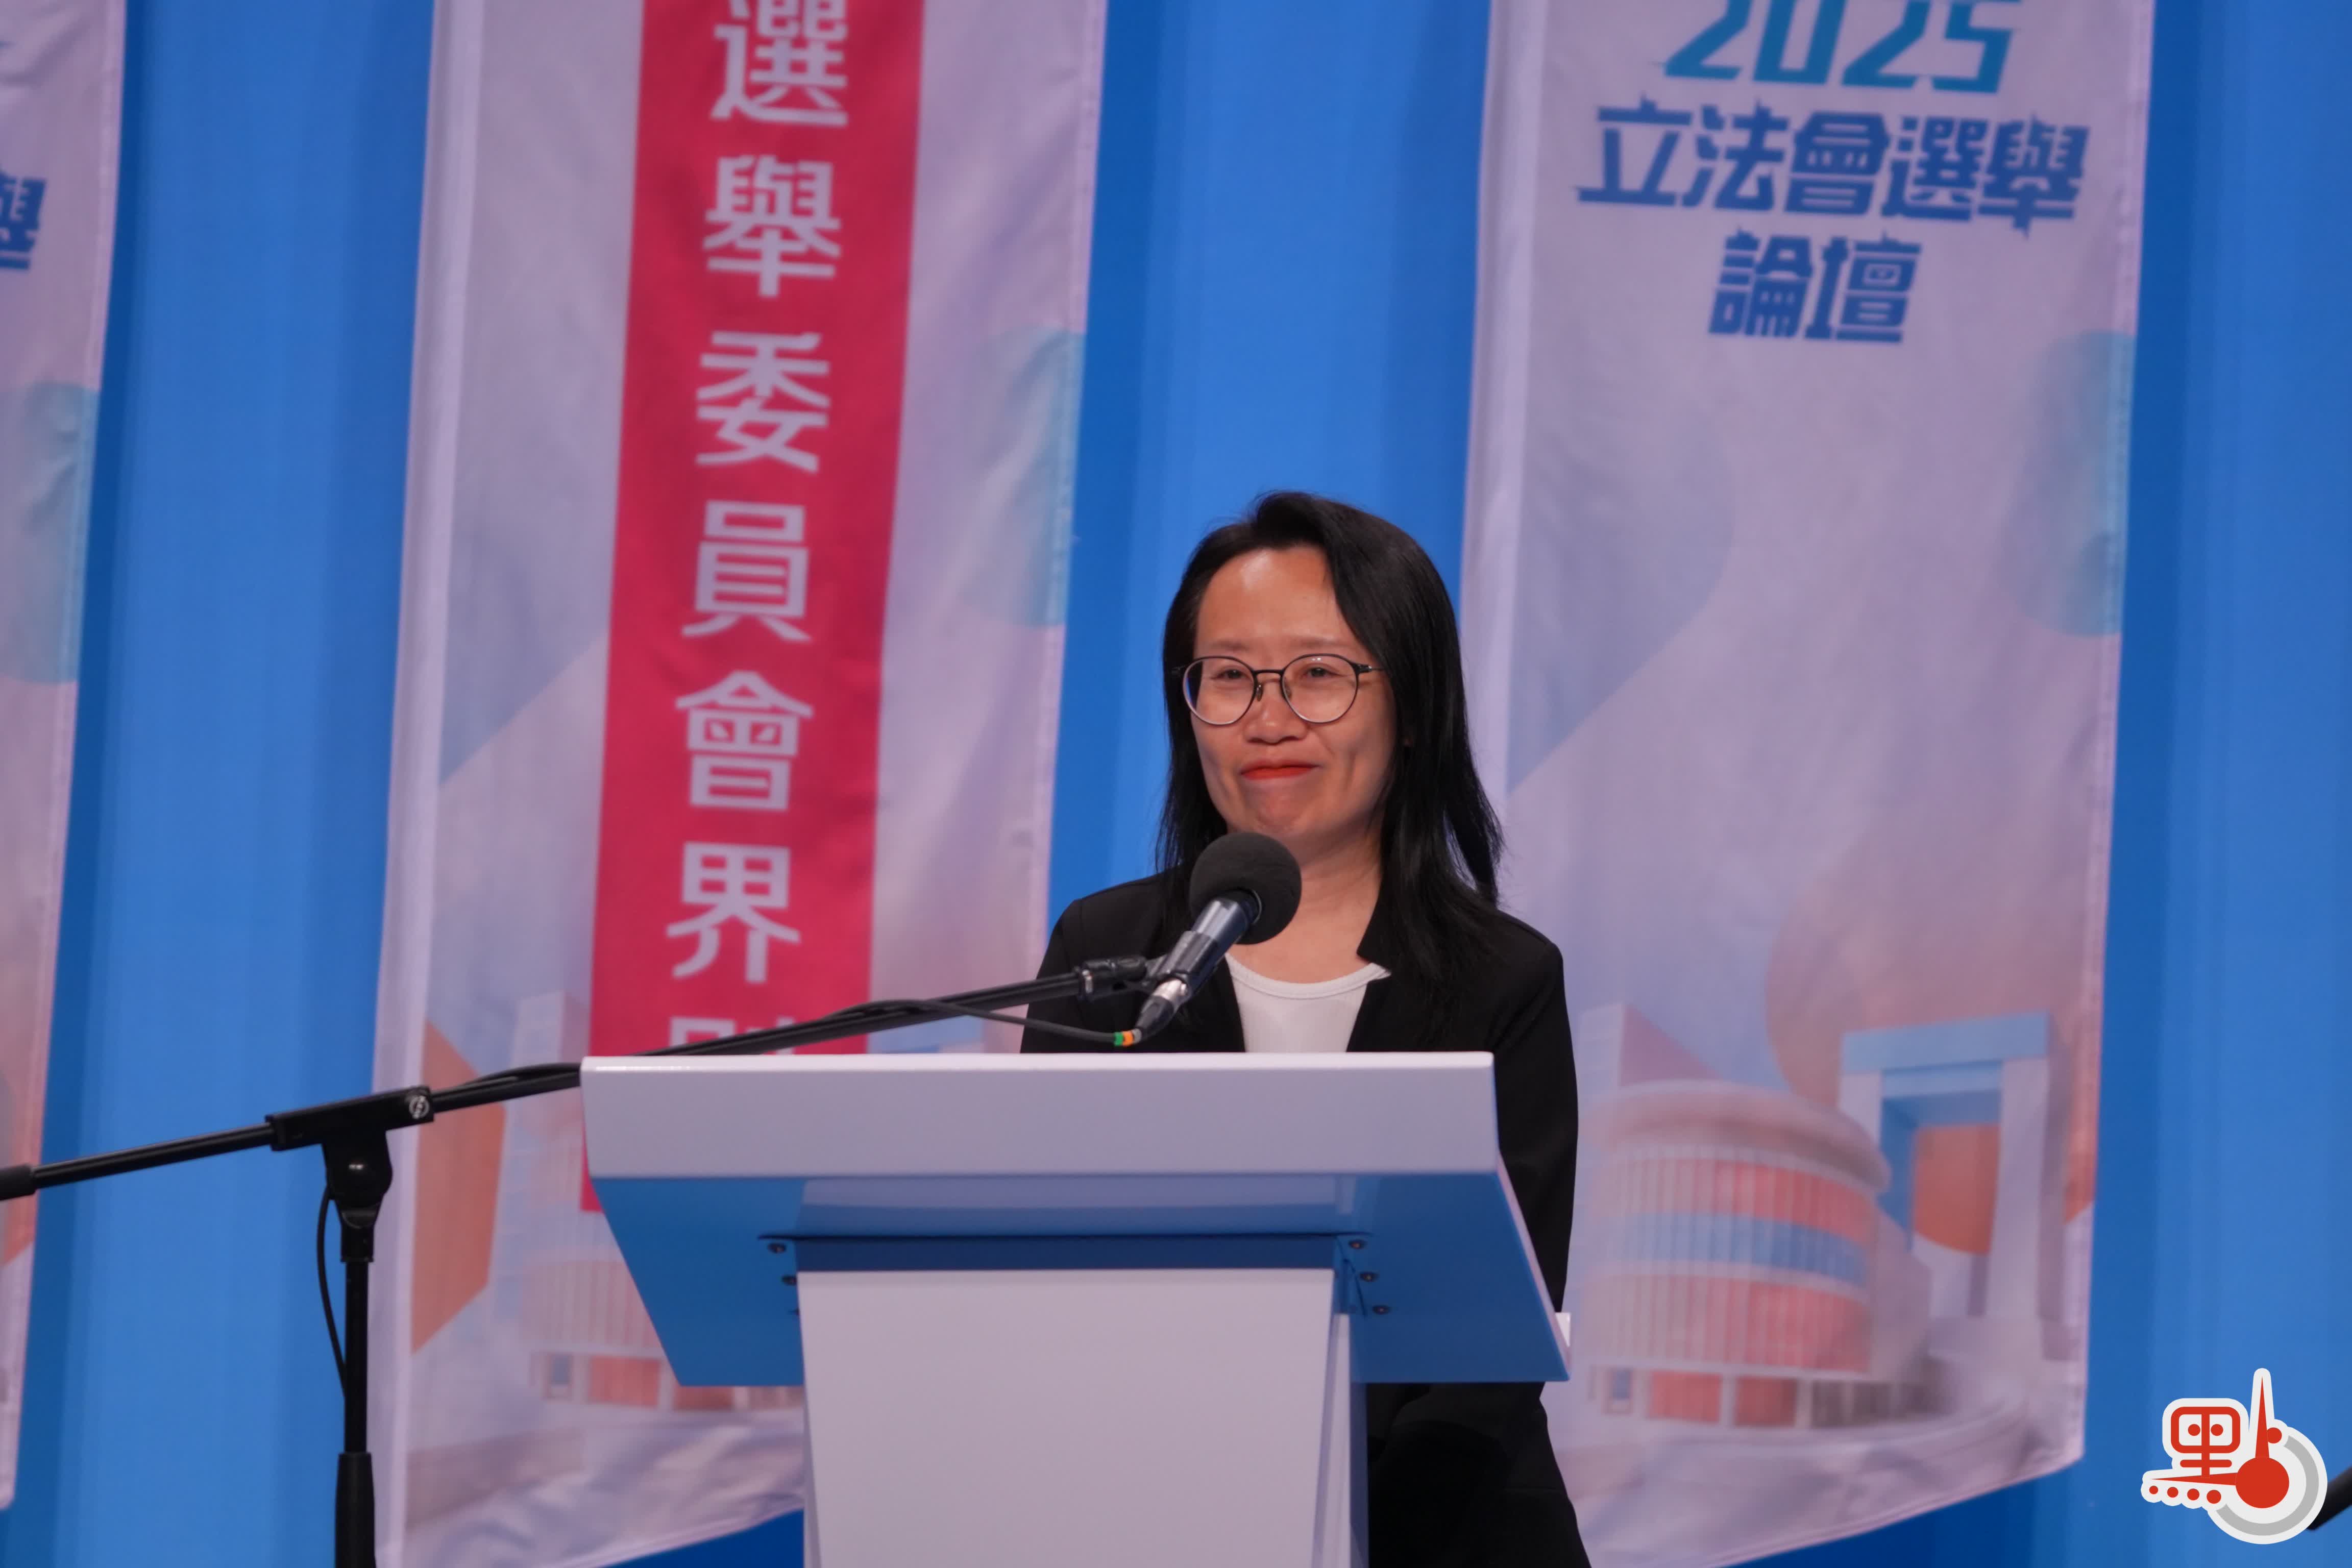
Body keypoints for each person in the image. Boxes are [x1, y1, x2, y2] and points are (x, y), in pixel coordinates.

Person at [1023, 492, 1589, 1568]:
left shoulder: (1503, 978)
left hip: (1445, 1525)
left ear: (1412, 706)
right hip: (1152, 1514)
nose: (1269, 719)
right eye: (1228, 677)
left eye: (1319, 675)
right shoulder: (1109, 950)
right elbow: (1051, 1271)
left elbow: (1490, 1336)